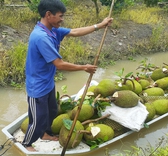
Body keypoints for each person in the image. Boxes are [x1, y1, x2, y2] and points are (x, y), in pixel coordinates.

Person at [22, 0, 113, 151]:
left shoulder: (52, 30)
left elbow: (75, 32)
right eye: (60, 16)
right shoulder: (41, 37)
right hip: (36, 87)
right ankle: (27, 143)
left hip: (47, 82)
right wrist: (84, 67)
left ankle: (45, 133)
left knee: (51, 111)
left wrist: (100, 25)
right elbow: (60, 64)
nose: (62, 19)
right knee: (38, 119)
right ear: (48, 14)